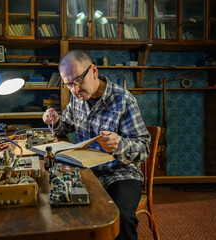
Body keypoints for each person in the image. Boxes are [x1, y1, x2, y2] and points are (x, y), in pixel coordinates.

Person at [43, 50, 150, 240]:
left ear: (93, 71)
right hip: (87, 171)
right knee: (56, 204)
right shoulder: (77, 100)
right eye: (69, 85)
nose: (75, 90)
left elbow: (144, 148)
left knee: (121, 219)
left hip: (121, 173)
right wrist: (54, 120)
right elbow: (63, 128)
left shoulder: (123, 100)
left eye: (78, 81)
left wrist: (120, 144)